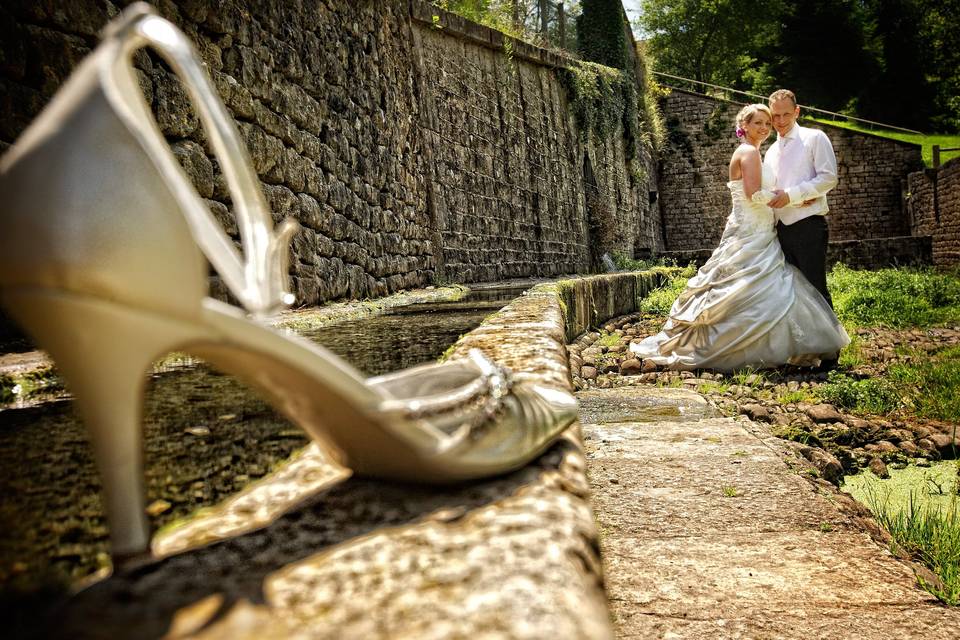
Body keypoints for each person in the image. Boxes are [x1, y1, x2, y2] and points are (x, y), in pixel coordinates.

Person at [630, 104, 849, 371]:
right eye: (759, 123)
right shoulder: (749, 153)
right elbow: (753, 194)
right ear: (743, 125)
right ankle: (749, 347)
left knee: (755, 287)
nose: (765, 128)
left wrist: (790, 197)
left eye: (768, 124)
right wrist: (792, 199)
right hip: (752, 230)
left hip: (756, 228)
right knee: (757, 286)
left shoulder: (753, 152)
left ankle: (760, 344)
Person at [764, 89, 838, 307]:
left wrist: (792, 196)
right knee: (792, 294)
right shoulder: (769, 152)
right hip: (780, 231)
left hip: (808, 227)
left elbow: (829, 178)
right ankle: (804, 341)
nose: (780, 120)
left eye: (786, 114)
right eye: (775, 116)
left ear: (797, 111)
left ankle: (831, 340)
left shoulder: (814, 138)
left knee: (815, 290)